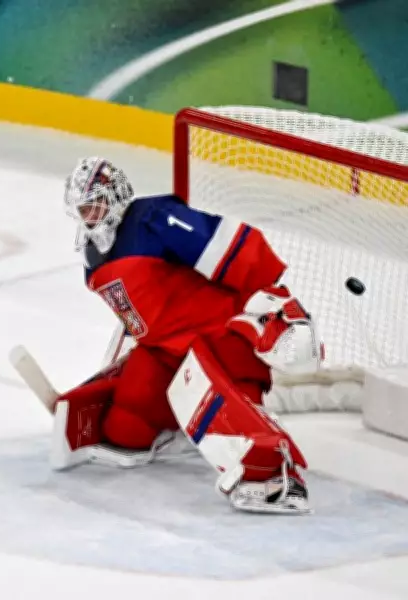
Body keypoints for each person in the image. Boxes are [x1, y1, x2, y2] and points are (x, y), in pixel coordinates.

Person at [55, 157, 323, 515]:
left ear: (116, 195)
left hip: (216, 336)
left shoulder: (154, 218)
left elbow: (230, 250)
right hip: (163, 347)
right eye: (83, 210)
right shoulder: (93, 256)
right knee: (126, 426)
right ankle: (177, 429)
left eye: (94, 205)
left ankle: (277, 478)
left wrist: (270, 304)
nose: (90, 217)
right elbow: (135, 315)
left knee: (215, 405)